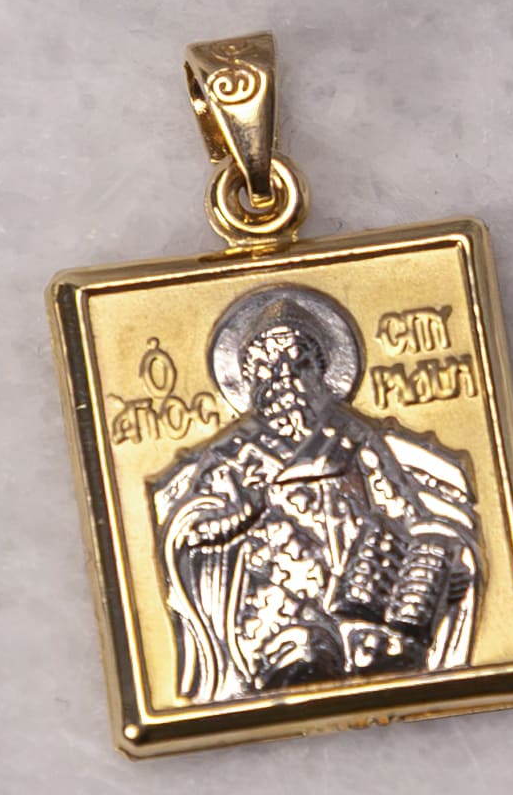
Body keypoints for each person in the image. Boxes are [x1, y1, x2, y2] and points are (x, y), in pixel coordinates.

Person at [151, 287, 479, 702]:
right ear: (253, 376)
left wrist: (434, 564)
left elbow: (401, 507)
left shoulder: (350, 435)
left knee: (388, 660)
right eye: (271, 364)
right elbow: (193, 531)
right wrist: (239, 515)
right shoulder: (235, 454)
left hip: (365, 598)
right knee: (301, 658)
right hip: (276, 604)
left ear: (318, 370)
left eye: (298, 360)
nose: (285, 375)